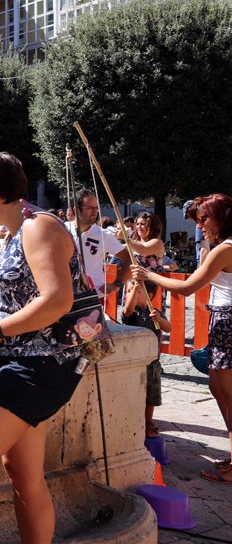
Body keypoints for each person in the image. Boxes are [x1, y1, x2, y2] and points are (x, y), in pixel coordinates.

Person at [0, 152, 85, 544]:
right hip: (28, 367)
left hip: (38, 368)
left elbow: (58, 300)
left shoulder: (39, 229)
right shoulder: (16, 234)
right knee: (23, 473)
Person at [132, 193, 232, 482]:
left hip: (226, 320)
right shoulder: (222, 246)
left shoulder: (224, 249)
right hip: (223, 318)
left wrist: (149, 275)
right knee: (217, 387)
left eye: (203, 220)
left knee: (226, 394)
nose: (199, 227)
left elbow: (187, 287)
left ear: (221, 219)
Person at [120, 278, 170, 437]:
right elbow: (127, 310)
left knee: (151, 396)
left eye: (137, 291)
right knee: (133, 393)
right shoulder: (131, 313)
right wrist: (136, 287)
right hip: (134, 363)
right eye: (128, 291)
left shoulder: (155, 312)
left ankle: (148, 421)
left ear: (149, 295)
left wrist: (160, 320)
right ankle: (132, 419)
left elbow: (169, 328)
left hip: (152, 362)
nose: (131, 294)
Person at [66, 188, 129, 297]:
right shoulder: (62, 228)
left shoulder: (103, 235)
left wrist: (117, 284)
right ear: (76, 210)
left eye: (96, 208)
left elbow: (129, 259)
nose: (94, 211)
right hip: (65, 294)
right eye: (89, 208)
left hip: (93, 295)